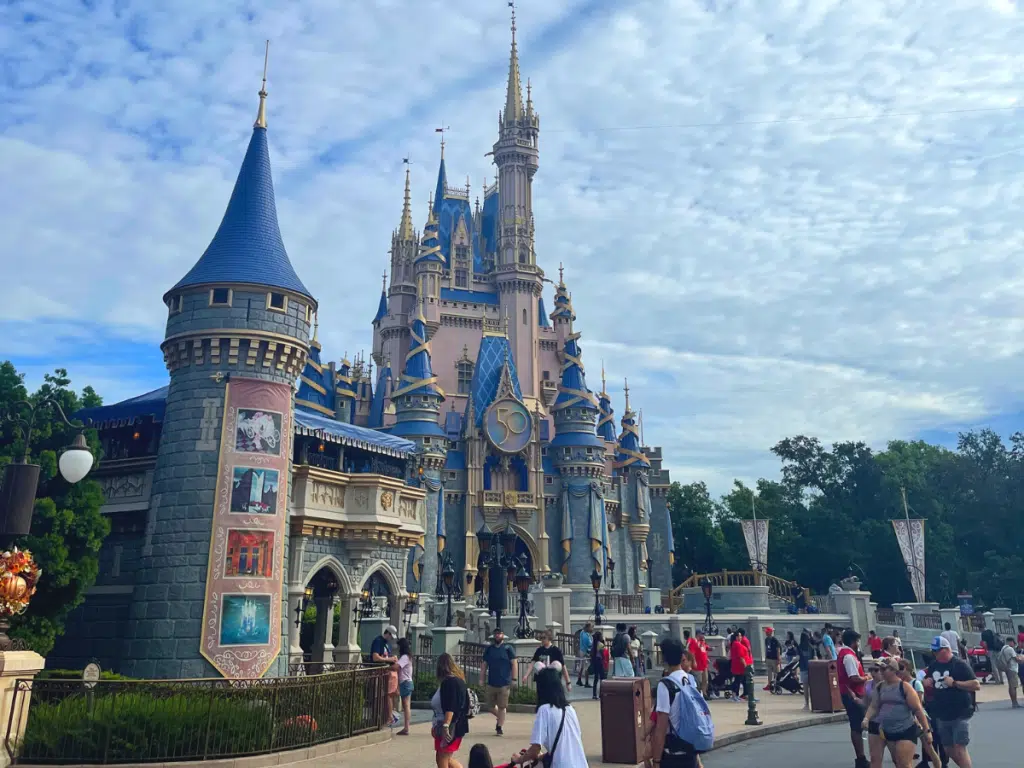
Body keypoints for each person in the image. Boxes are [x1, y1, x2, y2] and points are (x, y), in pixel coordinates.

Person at [508, 667, 589, 768]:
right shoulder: (570, 710)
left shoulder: (544, 710)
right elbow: (567, 745)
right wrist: (543, 756)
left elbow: (535, 749)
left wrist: (519, 759)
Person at [862, 657, 933, 768]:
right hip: (888, 731)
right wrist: (866, 718)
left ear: (893, 670)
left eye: (884, 669)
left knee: (903, 764)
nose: (881, 672)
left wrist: (927, 730)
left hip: (906, 730)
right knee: (894, 762)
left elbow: (918, 709)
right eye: (880, 669)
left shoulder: (905, 687)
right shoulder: (880, 687)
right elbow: (873, 706)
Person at [651, 638, 711, 768]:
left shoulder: (666, 685)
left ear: (664, 659)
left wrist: (656, 760)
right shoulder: (691, 680)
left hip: (673, 753)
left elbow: (661, 726)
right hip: (690, 751)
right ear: (682, 656)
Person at [923, 636, 979, 768]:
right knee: (948, 748)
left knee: (960, 747)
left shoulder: (959, 664)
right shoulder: (934, 665)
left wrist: (954, 683)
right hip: (942, 713)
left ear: (946, 649)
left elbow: (976, 684)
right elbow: (927, 678)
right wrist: (925, 682)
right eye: (934, 651)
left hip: (960, 711)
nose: (935, 654)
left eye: (937, 651)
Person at [837, 629, 869, 768]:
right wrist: (867, 677)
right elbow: (854, 678)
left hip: (851, 693)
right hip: (853, 694)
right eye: (857, 641)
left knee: (857, 725)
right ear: (853, 641)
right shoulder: (849, 657)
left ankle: (861, 757)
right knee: (856, 726)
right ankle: (861, 758)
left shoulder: (845, 654)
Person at [432, 653, 470, 768]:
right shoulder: (459, 681)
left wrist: (445, 725)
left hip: (451, 725)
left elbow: (450, 706)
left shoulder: (449, 682)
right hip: (457, 724)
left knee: (443, 757)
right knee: (444, 757)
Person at [481, 627, 516, 736]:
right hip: (491, 682)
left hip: (504, 683)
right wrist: (481, 679)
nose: (497, 636)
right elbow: (484, 665)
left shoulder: (508, 648)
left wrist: (514, 679)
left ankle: (499, 727)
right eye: (496, 634)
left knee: (502, 706)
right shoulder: (489, 649)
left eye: (499, 634)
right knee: (490, 706)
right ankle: (500, 718)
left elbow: (514, 663)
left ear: (503, 635)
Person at [371, 624, 400, 726]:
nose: (391, 639)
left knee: (387, 695)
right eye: (391, 636)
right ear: (387, 633)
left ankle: (386, 716)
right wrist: (389, 659)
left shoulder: (386, 644)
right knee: (380, 696)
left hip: (385, 673)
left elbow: (386, 656)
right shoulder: (378, 641)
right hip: (378, 672)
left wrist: (392, 658)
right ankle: (378, 718)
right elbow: (375, 657)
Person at [995, 636, 1023, 709]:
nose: (1014, 645)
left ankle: (1014, 702)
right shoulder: (1010, 649)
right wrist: (1021, 658)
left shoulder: (1003, 649)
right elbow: (1017, 659)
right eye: (1014, 643)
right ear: (1011, 642)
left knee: (1011, 686)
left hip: (1007, 669)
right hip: (1012, 669)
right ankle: (1015, 703)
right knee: (1013, 686)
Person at [395, 637, 414, 736]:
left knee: (406, 706)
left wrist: (389, 666)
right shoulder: (408, 657)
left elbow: (396, 667)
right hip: (408, 682)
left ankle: (406, 727)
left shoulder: (404, 657)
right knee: (407, 706)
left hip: (405, 683)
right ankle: (406, 727)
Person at [728, 631, 752, 703]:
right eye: (738, 636)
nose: (740, 637)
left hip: (738, 665)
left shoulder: (736, 644)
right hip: (739, 665)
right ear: (735, 637)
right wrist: (745, 666)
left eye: (740, 636)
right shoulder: (737, 644)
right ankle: (735, 695)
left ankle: (736, 695)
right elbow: (741, 656)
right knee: (737, 681)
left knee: (738, 680)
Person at [688, 630, 710, 698]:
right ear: (698, 634)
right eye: (702, 634)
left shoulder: (702, 642)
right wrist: (694, 661)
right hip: (698, 665)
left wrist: (707, 659)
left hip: (704, 664)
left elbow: (704, 651)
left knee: (705, 680)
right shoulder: (693, 641)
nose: (703, 635)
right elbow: (692, 653)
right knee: (699, 681)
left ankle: (704, 693)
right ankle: (698, 694)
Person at [589, 630, 607, 700]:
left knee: (595, 679)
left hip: (594, 661)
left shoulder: (594, 644)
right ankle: (601, 693)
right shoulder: (601, 645)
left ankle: (594, 694)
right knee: (602, 678)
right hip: (599, 661)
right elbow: (603, 654)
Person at [798, 630, 813, 710]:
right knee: (812, 687)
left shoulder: (800, 647)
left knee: (805, 687)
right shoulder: (811, 647)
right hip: (811, 668)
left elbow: (798, 657)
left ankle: (807, 703)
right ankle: (814, 703)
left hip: (803, 668)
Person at [576, 623, 593, 687]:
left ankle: (579, 679)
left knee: (582, 666)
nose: (592, 629)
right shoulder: (586, 635)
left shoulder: (582, 632)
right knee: (586, 667)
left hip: (582, 651)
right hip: (585, 652)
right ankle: (586, 682)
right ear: (588, 627)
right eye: (591, 627)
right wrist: (589, 653)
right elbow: (588, 644)